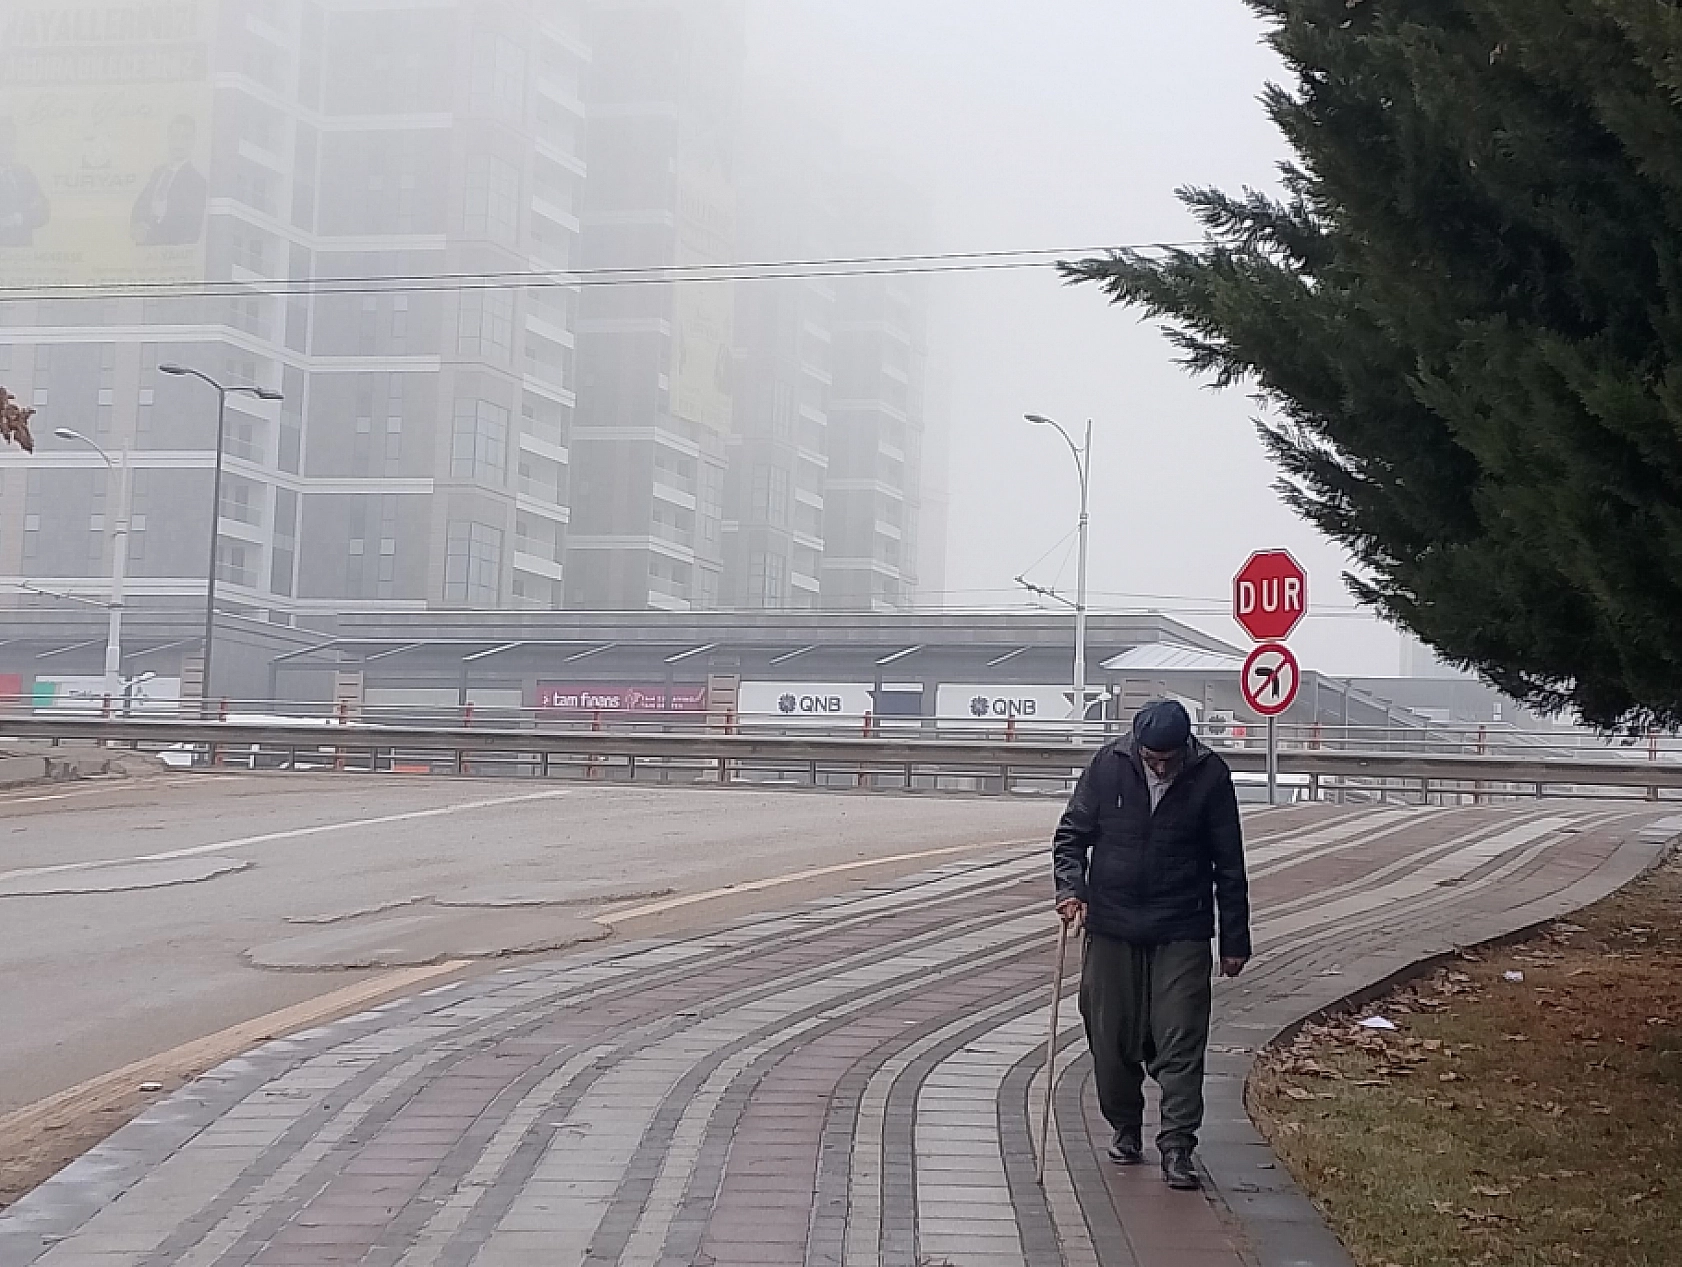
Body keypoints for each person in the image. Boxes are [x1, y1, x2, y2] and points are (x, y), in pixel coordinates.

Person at [1052, 698, 1251, 1190]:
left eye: (1170, 757)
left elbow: (1230, 863)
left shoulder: (1209, 774)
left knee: (1181, 1037)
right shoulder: (1107, 766)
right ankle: (1124, 1126)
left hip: (1181, 926)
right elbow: (1071, 838)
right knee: (1110, 1036)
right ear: (1136, 745)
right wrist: (1071, 889)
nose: (1161, 766)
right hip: (1113, 925)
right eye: (1152, 757)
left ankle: (1178, 1146)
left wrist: (1234, 939)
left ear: (1186, 746)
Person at [131, 115, 208, 247]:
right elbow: (139, 206)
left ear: (193, 141)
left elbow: (191, 228)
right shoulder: (158, 173)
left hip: (169, 252)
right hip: (145, 250)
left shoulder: (197, 181)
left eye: (185, 137)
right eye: (175, 136)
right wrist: (139, 224)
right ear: (168, 139)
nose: (179, 143)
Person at [0, 119, 49, 248]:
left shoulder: (24, 173)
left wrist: (16, 218)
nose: (7, 148)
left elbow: (43, 213)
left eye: (11, 142)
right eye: (3, 141)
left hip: (24, 258)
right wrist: (26, 212)